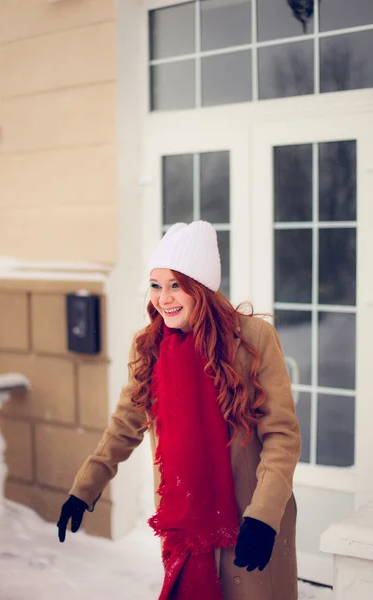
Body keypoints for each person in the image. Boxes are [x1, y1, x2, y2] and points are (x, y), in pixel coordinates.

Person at [57, 221, 301, 600]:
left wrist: (264, 514)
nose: (163, 298)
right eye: (156, 285)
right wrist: (85, 488)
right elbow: (126, 423)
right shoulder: (150, 347)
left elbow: (282, 436)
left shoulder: (251, 340)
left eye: (176, 285)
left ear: (200, 288)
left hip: (248, 517)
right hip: (185, 519)